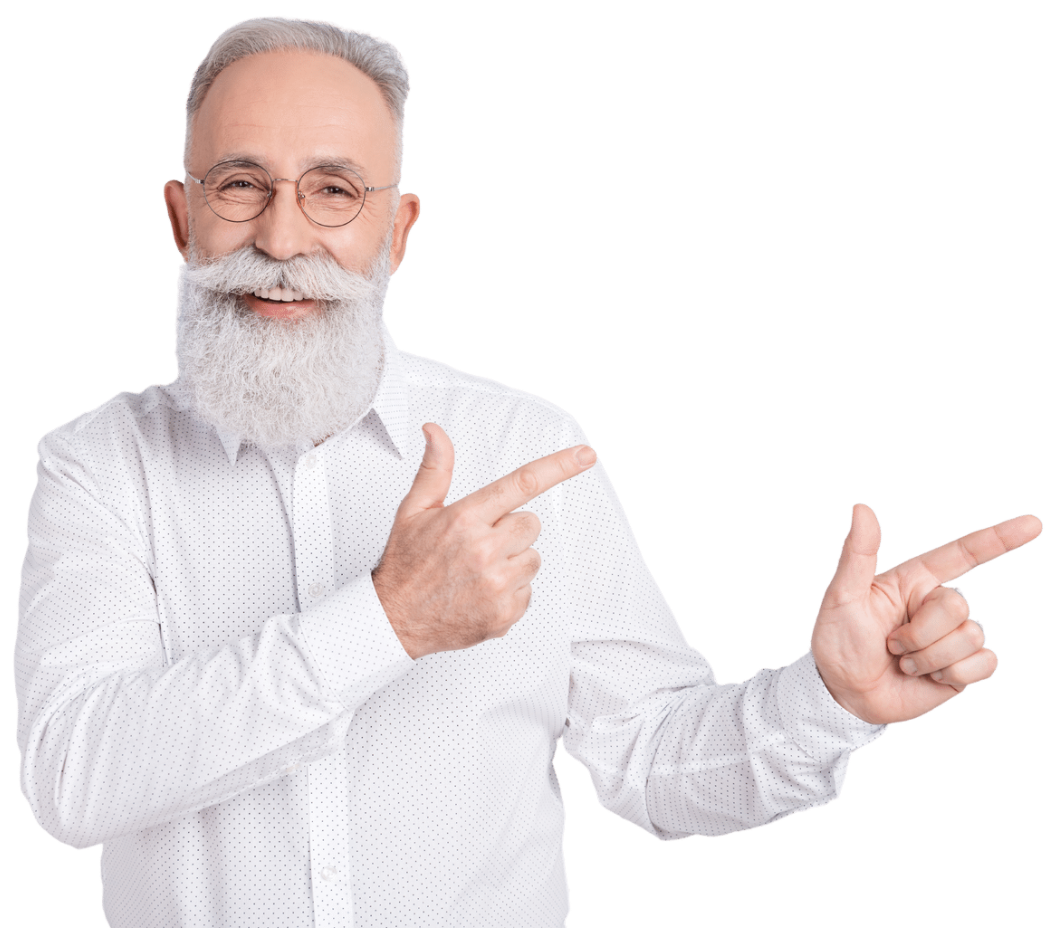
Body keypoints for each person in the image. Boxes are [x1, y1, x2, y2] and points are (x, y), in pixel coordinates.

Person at [13, 16, 1042, 928]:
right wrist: (385, 622)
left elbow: (648, 760)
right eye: (239, 186)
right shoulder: (96, 466)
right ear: (180, 219)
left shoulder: (523, 443)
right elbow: (74, 781)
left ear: (395, 232)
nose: (283, 238)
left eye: (333, 191)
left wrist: (830, 702)